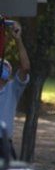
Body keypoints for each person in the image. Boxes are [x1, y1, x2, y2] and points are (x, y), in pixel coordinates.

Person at [0, 20, 30, 159]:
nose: (3, 68)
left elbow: (25, 67)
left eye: (6, 66)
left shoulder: (12, 89)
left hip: (4, 144)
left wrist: (18, 40)